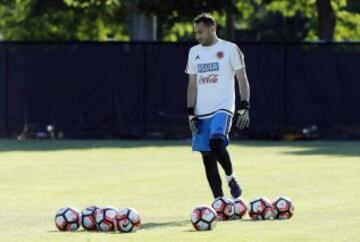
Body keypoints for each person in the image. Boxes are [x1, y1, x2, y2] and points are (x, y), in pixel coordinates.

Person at [185, 13, 251, 199]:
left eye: (201, 32)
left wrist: (244, 107)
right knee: (207, 157)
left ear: (212, 29)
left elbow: (242, 79)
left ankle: (231, 178)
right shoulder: (193, 52)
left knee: (216, 141)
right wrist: (191, 113)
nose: (198, 36)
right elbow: (192, 85)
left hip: (223, 107)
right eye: (196, 33)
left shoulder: (230, 49)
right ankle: (219, 201)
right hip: (201, 111)